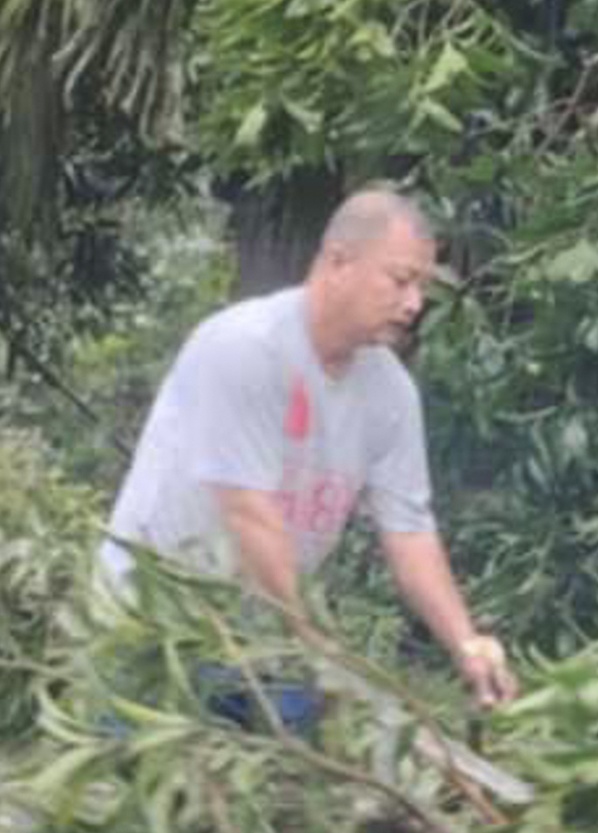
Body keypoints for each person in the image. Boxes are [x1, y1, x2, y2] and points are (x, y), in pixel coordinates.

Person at [96, 185, 515, 722]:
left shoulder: (390, 394)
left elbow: (409, 530)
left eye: (422, 287)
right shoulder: (244, 347)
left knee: (287, 798)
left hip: (266, 646)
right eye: (401, 280)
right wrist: (319, 649)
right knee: (139, 797)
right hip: (153, 629)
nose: (415, 304)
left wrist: (466, 643)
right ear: (339, 261)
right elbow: (249, 512)